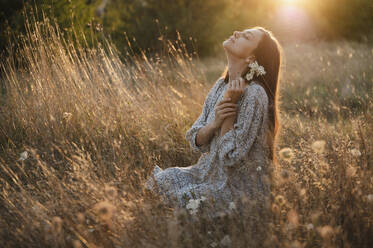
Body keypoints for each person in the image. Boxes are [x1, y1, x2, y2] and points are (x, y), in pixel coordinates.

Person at [145, 26, 282, 220]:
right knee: (161, 181)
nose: (236, 33)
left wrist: (230, 107)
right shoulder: (220, 86)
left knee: (187, 199)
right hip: (206, 173)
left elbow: (230, 158)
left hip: (238, 187)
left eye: (246, 37)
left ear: (252, 59)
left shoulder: (255, 94)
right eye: (241, 32)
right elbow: (195, 139)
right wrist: (214, 123)